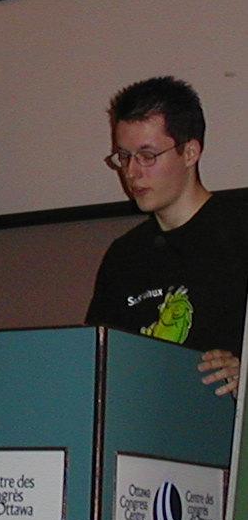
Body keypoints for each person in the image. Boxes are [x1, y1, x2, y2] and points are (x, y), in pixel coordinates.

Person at [85, 76, 248, 397]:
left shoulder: (240, 230)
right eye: (124, 156)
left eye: (147, 156)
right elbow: (100, 363)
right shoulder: (124, 256)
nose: (131, 172)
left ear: (190, 152)